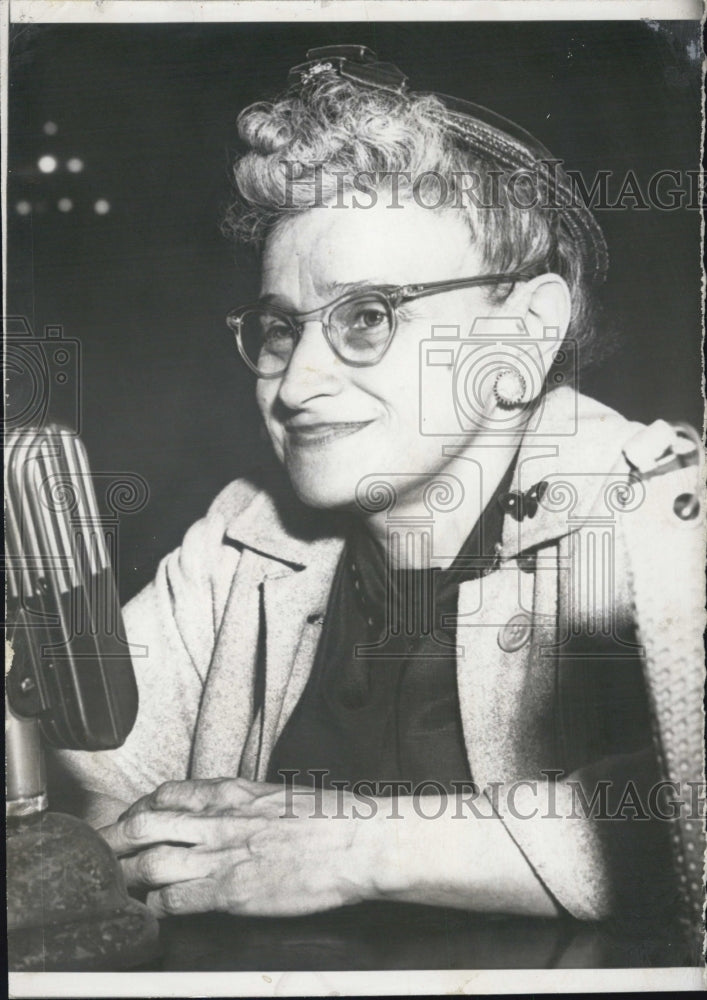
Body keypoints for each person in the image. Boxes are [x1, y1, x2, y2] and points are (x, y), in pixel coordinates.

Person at [49, 45, 703, 937]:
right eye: (281, 329)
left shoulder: (661, 519)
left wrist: (354, 848)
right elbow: (80, 778)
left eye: (367, 316)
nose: (295, 384)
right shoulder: (244, 539)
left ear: (523, 335)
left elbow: (692, 818)